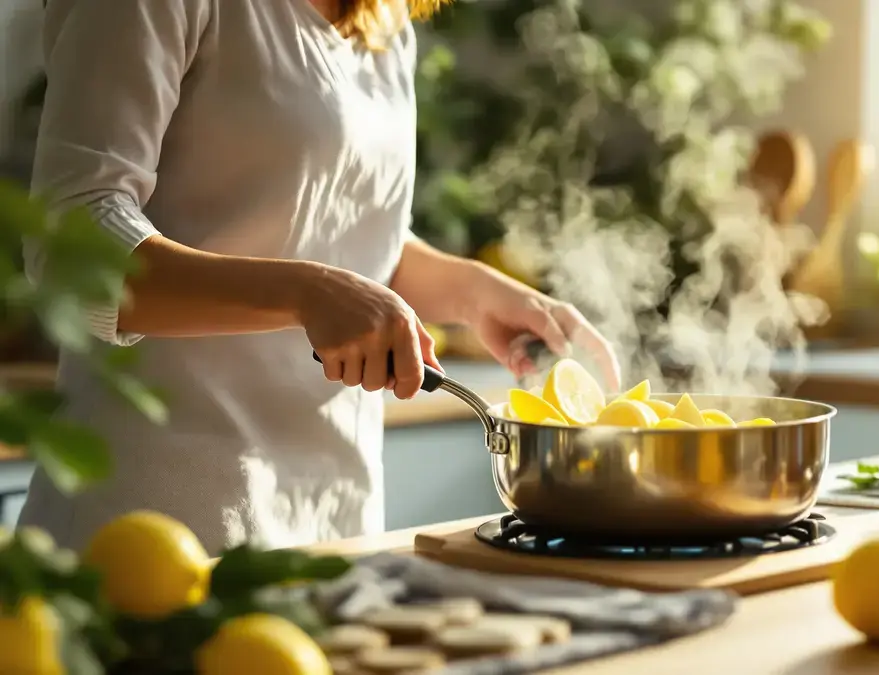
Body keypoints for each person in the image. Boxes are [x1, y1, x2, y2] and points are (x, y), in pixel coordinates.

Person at [19, 0, 620, 554]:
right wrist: (305, 292)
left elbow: (345, 232)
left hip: (333, 527)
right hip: (155, 532)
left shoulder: (381, 18)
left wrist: (474, 292)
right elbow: (74, 245)